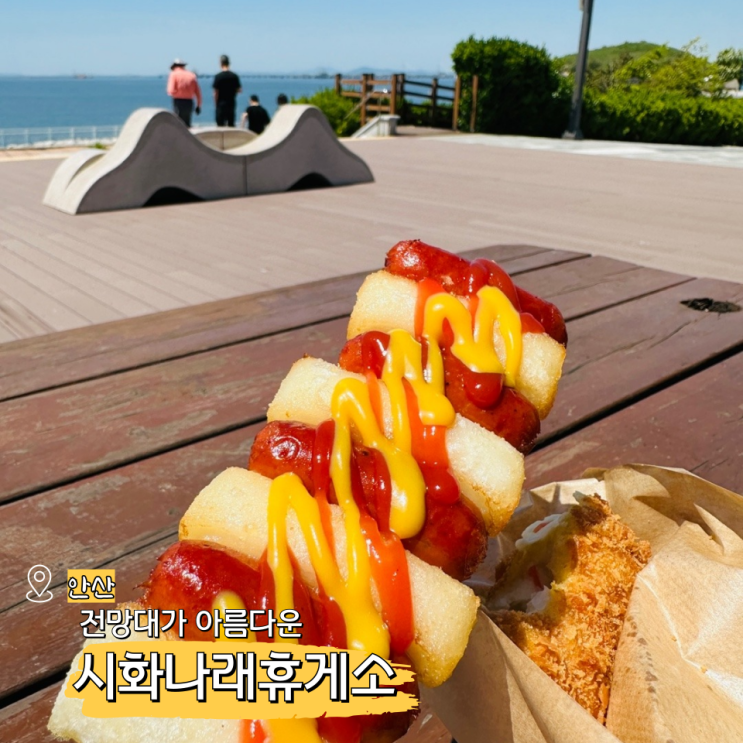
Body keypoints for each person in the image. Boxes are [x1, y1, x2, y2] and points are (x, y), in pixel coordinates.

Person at [167, 59, 202, 127]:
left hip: (178, 102)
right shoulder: (192, 75)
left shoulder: (173, 74)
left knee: (178, 125)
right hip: (189, 102)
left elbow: (170, 91)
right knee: (187, 124)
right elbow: (198, 93)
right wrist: (198, 105)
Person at [212, 55, 242, 127]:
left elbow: (215, 93)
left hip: (221, 104)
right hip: (231, 103)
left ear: (221, 63)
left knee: (220, 125)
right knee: (231, 125)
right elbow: (239, 90)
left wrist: (216, 104)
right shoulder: (234, 76)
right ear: (229, 63)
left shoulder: (218, 76)